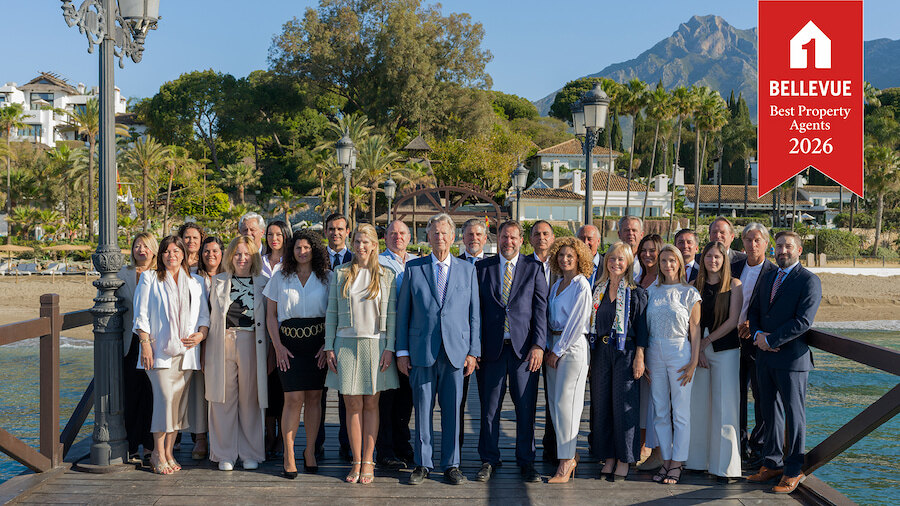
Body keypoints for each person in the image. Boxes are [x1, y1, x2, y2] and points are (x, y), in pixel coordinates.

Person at [396, 213, 480, 486]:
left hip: (456, 352)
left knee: (453, 411)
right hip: (421, 350)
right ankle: (423, 463)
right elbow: (403, 313)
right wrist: (402, 351)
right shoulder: (414, 268)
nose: (440, 237)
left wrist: (472, 352)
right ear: (428, 237)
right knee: (422, 409)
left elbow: (474, 315)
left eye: (444, 233)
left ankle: (452, 464)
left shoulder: (467, 270)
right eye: (435, 233)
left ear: (453, 238)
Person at [324, 223, 399, 485]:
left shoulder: (386, 275)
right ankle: (356, 460)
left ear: (375, 245)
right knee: (352, 405)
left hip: (376, 345)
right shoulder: (341, 273)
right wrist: (329, 346)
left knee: (371, 404)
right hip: (345, 344)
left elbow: (392, 315)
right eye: (357, 241)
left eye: (366, 241)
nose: (361, 246)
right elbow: (331, 312)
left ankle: (369, 460)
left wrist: (390, 347)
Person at [473, 221, 548, 483]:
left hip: (524, 352)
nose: (509, 242)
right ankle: (488, 459)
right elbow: (475, 312)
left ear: (521, 240)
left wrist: (539, 345)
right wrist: (474, 348)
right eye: (505, 237)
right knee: (489, 409)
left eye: (514, 237)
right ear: (498, 238)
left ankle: (526, 461)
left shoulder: (534, 268)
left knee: (525, 409)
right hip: (490, 351)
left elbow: (541, 310)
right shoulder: (482, 268)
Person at [747, 231, 821, 494]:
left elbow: (803, 321)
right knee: (770, 413)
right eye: (779, 246)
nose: (782, 251)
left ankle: (793, 469)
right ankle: (772, 463)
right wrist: (757, 335)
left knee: (794, 415)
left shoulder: (809, 281)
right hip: (765, 358)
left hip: (792, 359)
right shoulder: (768, 277)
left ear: (799, 250)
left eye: (788, 246)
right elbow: (754, 311)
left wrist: (773, 339)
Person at [133, 235, 209, 475]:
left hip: (186, 353)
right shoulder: (149, 278)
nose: (171, 255)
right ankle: (157, 451)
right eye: (167, 251)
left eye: (176, 251)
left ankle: (169, 451)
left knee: (178, 405)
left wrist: (201, 335)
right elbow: (141, 315)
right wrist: (145, 344)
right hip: (158, 353)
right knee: (164, 401)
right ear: (161, 255)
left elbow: (204, 317)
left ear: (184, 254)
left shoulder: (196, 282)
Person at [265, 230, 331, 479]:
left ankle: (310, 451)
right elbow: (270, 316)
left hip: (317, 345)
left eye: (307, 247)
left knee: (315, 398)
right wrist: (278, 346)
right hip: (288, 346)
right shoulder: (280, 277)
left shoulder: (328, 277)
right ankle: (289, 454)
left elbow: (332, 314)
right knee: (292, 399)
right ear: (291, 251)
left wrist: (327, 344)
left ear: (314, 249)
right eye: (297, 248)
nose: (302, 252)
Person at [205, 236, 269, 472]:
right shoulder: (218, 281)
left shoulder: (264, 282)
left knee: (250, 399)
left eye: (247, 254)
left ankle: (250, 453)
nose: (242, 258)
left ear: (254, 256)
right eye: (238, 254)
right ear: (231, 256)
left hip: (252, 342)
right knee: (223, 399)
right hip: (222, 342)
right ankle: (224, 453)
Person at [589, 241, 649, 482]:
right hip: (601, 352)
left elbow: (643, 330)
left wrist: (640, 358)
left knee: (624, 407)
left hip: (626, 352)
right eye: (612, 258)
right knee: (601, 405)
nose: (615, 263)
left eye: (620, 260)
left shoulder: (636, 293)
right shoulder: (598, 289)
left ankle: (625, 458)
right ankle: (608, 457)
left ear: (628, 264)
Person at [643, 244, 701, 485]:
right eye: (664, 260)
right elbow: (644, 327)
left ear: (679, 263)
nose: (668, 265)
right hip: (654, 350)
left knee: (680, 411)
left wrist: (693, 362)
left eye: (672, 260)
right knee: (659, 410)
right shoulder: (651, 291)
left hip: (680, 351)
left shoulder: (689, 293)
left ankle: (677, 463)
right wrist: (644, 357)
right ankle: (666, 459)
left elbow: (695, 330)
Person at [685, 241, 743, 481]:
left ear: (724, 259)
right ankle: (696, 461)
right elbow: (692, 323)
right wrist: (698, 351)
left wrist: (707, 343)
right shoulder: (692, 286)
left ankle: (725, 467)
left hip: (726, 350)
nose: (713, 260)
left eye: (717, 256)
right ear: (702, 259)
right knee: (697, 407)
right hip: (698, 351)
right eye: (708, 256)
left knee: (725, 407)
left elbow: (733, 321)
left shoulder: (734, 285)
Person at [544, 236, 593, 483]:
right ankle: (566, 455)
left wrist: (558, 350)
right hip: (553, 346)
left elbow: (576, 323)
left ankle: (566, 462)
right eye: (561, 255)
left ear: (579, 259)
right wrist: (547, 347)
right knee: (555, 405)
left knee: (568, 405)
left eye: (570, 256)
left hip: (570, 349)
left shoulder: (581, 284)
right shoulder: (556, 285)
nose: (565, 259)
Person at [732, 223, 778, 466]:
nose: (752, 244)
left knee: (761, 397)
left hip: (757, 343)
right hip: (731, 342)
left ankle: (759, 448)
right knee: (735, 396)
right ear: (742, 243)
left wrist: (754, 324)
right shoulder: (734, 267)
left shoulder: (774, 272)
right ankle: (737, 445)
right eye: (748, 240)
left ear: (766, 243)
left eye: (757, 240)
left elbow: (775, 309)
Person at [376, 221, 417, 469]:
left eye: (402, 233)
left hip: (411, 339)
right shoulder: (378, 263)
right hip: (387, 339)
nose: (397, 237)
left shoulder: (417, 261)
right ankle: (385, 449)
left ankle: (403, 445)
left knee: (406, 397)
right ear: (385, 237)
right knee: (386, 397)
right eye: (392, 233)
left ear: (409, 236)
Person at [239, 211, 280, 458]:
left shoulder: (273, 258)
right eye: (244, 229)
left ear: (262, 232)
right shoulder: (239, 258)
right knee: (252, 389)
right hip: (247, 333)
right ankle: (258, 436)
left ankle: (274, 436)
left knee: (274, 387)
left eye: (252, 229)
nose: (248, 233)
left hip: (276, 332)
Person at [117, 232, 158, 464]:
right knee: (131, 394)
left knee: (152, 395)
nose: (141, 250)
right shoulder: (122, 273)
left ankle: (151, 446)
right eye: (136, 246)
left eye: (145, 246)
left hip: (154, 342)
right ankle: (131, 446)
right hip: (129, 342)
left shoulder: (159, 274)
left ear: (153, 250)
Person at [322, 213, 353, 461]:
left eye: (340, 228)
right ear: (325, 232)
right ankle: (316, 443)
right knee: (316, 394)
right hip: (315, 332)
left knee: (347, 394)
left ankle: (347, 444)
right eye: (331, 229)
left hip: (346, 335)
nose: (336, 233)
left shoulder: (357, 259)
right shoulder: (314, 258)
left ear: (348, 231)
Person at [178, 223, 209, 458]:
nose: (191, 241)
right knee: (177, 388)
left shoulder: (207, 265)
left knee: (200, 390)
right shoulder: (173, 264)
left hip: (204, 334)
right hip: (177, 337)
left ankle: (201, 437)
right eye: (186, 237)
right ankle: (175, 434)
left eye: (195, 237)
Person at [457, 217, 487, 450]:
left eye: (478, 235)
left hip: (490, 345)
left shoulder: (496, 266)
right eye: (469, 234)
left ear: (485, 238)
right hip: (459, 345)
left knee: (489, 403)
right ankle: (455, 450)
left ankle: (488, 453)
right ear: (463, 238)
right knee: (457, 401)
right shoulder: (453, 265)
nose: (473, 239)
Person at [530, 220, 559, 462]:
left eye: (546, 233)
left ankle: (553, 447)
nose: (542, 238)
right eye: (537, 234)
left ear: (553, 237)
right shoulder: (523, 264)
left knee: (555, 398)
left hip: (557, 342)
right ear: (529, 239)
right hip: (529, 343)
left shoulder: (562, 265)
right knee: (528, 399)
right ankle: (526, 450)